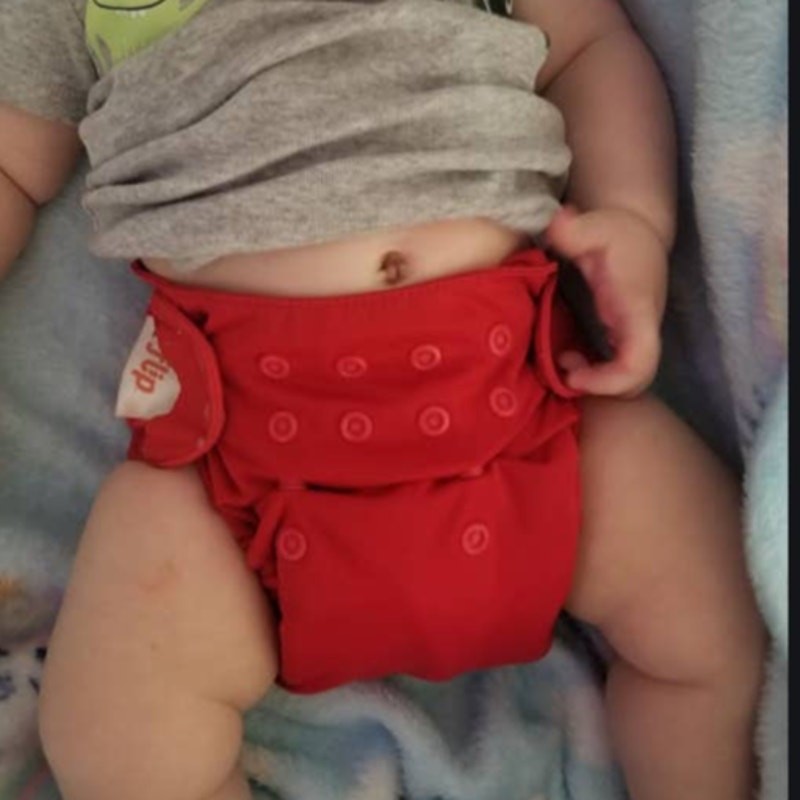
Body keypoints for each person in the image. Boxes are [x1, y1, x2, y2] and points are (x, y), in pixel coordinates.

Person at [0, 1, 765, 799]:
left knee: (714, 620)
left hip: (521, 404)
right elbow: (14, 161)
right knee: (115, 736)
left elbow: (588, 48)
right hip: (242, 458)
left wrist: (635, 217)